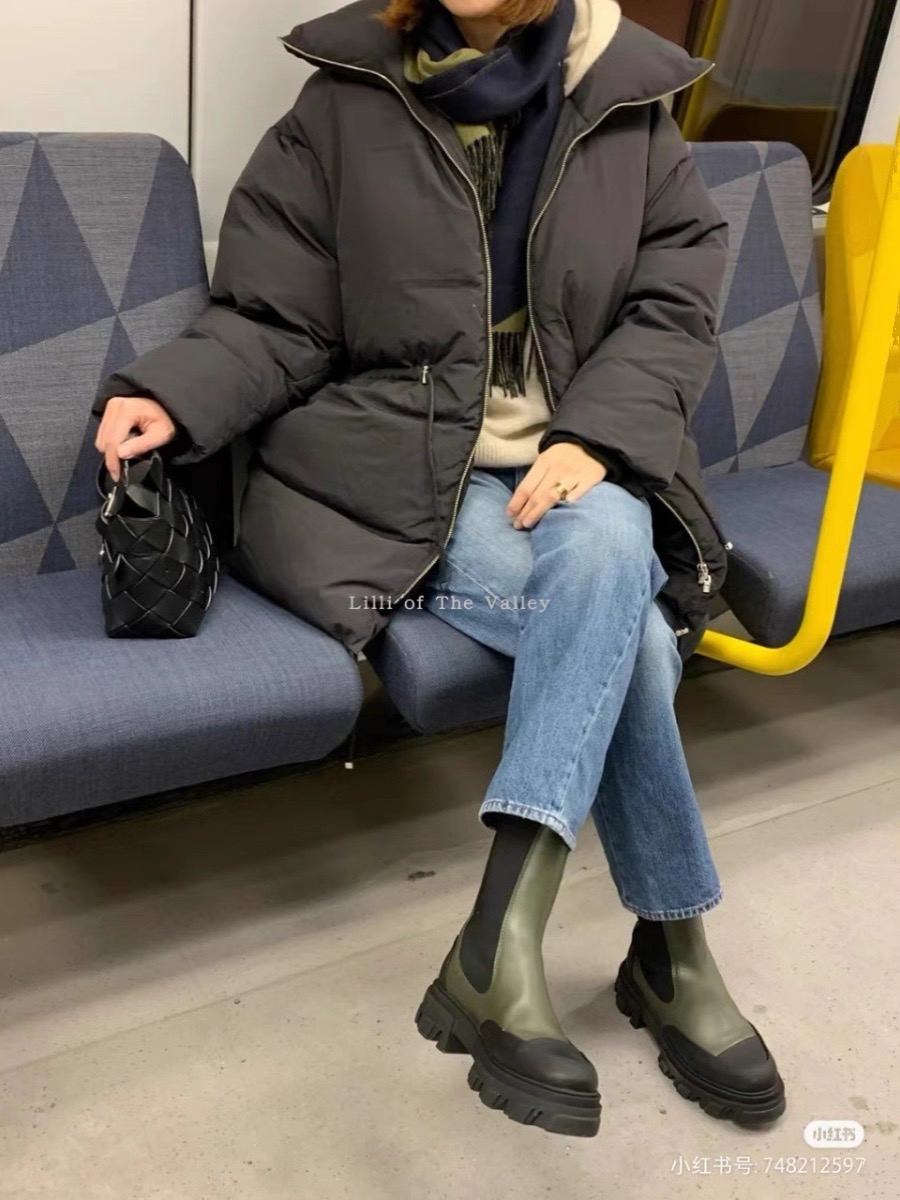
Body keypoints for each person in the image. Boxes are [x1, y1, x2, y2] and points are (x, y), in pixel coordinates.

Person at [93, 0, 785, 1138]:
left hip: (578, 464)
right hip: (398, 479)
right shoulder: (343, 101)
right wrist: (173, 392)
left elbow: (673, 309)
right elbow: (275, 314)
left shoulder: (632, 104)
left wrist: (596, 437)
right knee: (632, 626)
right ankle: (667, 952)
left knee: (608, 542)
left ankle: (503, 945)